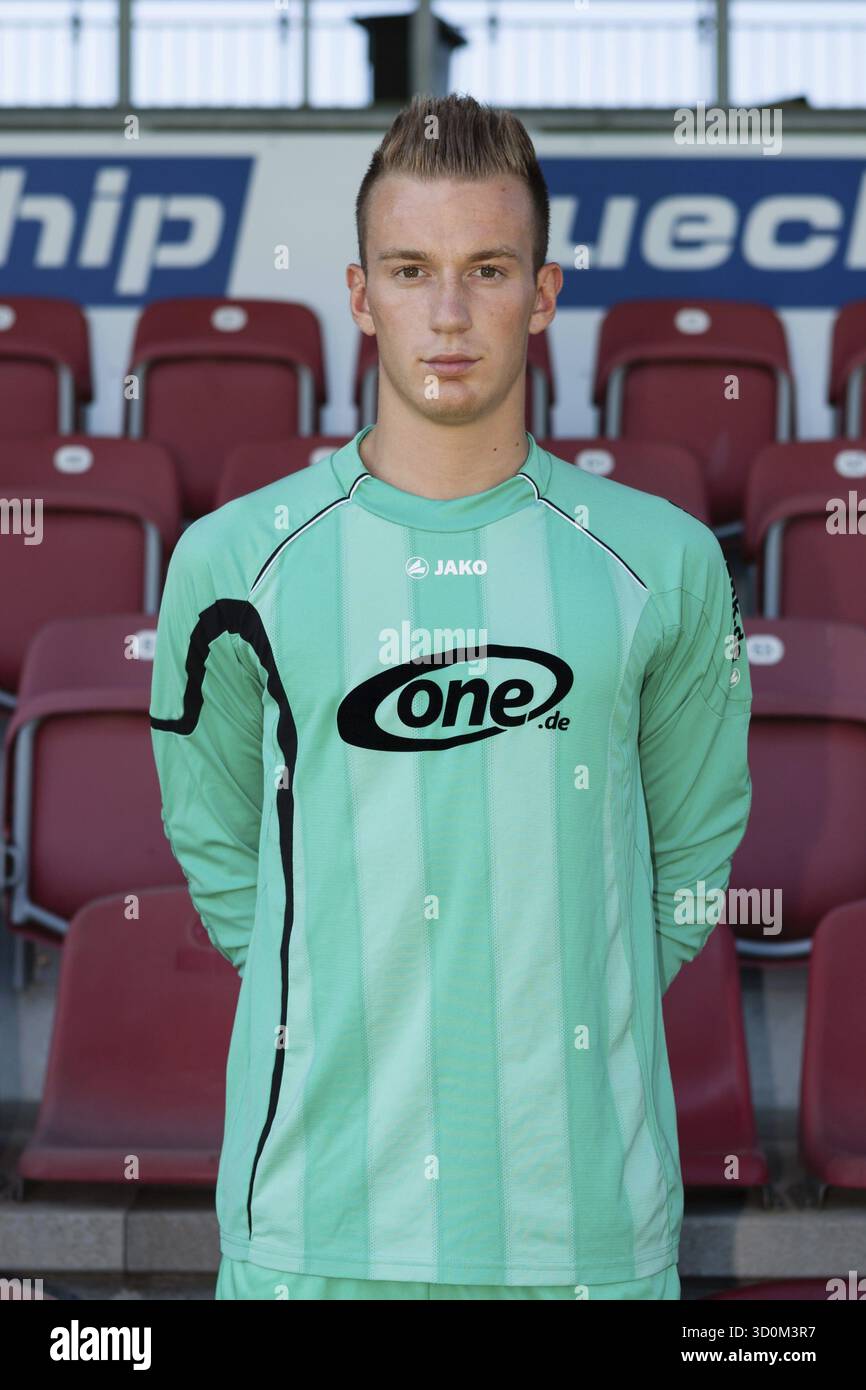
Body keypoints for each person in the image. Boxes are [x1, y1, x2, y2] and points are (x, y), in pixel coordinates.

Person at [149, 93, 752, 1301]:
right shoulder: (232, 563)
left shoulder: (662, 559)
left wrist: (566, 994)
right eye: (409, 270)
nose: (446, 313)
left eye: (485, 269)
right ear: (359, 293)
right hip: (313, 1230)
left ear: (540, 292)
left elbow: (688, 858)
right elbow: (220, 855)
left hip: (581, 1232)